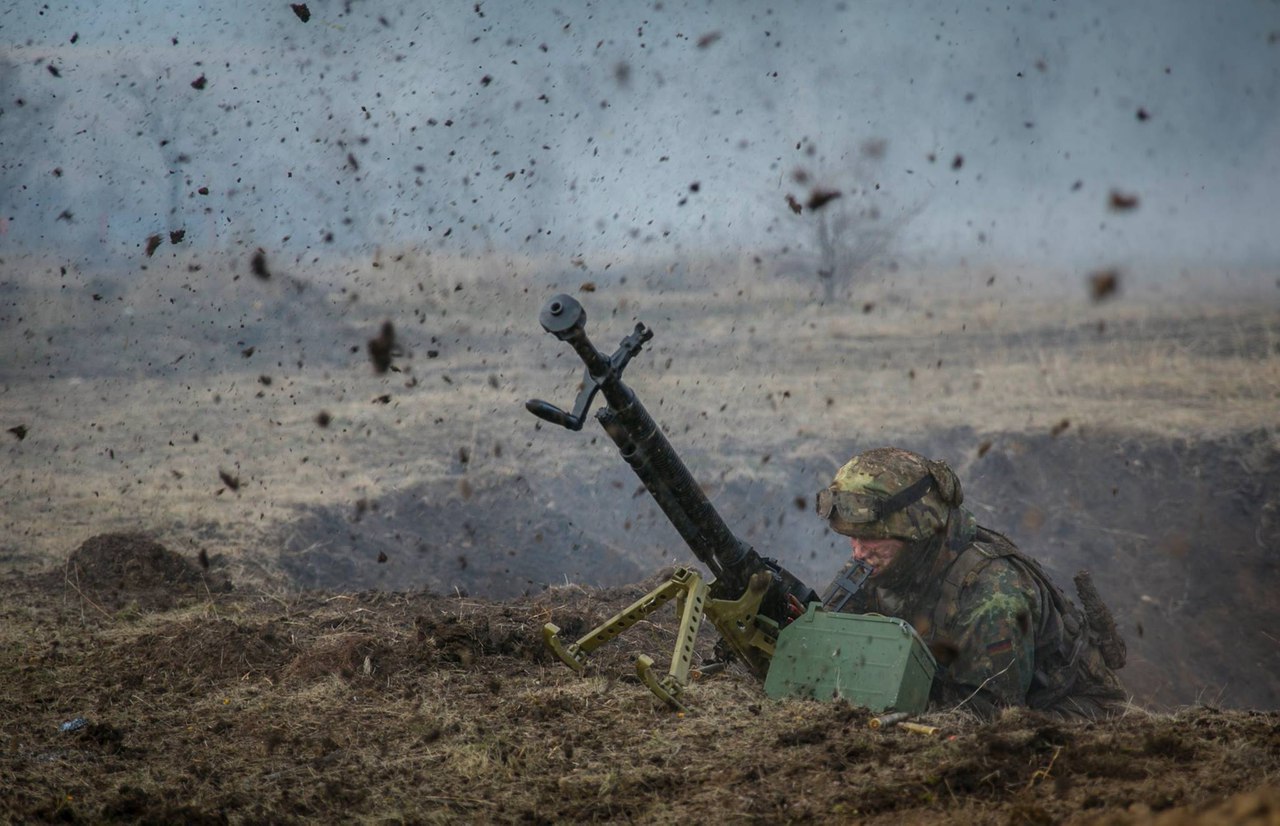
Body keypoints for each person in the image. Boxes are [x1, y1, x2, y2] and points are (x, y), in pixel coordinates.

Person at [815, 446, 1128, 719]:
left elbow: (989, 718)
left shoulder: (992, 596)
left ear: (917, 532)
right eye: (852, 537)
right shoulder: (882, 562)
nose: (857, 551)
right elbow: (824, 643)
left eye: (870, 537)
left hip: (1072, 717)